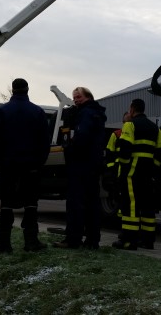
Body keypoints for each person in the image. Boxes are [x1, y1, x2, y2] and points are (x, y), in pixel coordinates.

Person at [0, 78, 51, 253]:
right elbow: (44, 143)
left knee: (6, 204)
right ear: (27, 90)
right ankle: (31, 241)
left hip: (8, 166)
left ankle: (3, 243)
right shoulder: (37, 112)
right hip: (31, 167)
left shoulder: (2, 111)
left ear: (13, 90)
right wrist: (39, 163)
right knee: (31, 203)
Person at [54, 87, 107, 250]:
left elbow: (81, 137)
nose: (76, 100)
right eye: (74, 98)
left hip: (80, 164)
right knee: (92, 202)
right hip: (93, 164)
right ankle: (92, 240)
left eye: (79, 97)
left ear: (88, 97)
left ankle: (73, 239)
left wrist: (69, 148)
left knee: (75, 203)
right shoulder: (97, 113)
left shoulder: (85, 113)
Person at [112, 98, 161, 250]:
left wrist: (124, 165)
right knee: (147, 206)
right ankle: (148, 241)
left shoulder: (130, 125)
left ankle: (129, 241)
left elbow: (125, 148)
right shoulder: (155, 128)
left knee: (130, 207)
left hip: (132, 173)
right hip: (148, 174)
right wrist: (153, 168)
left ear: (132, 109)